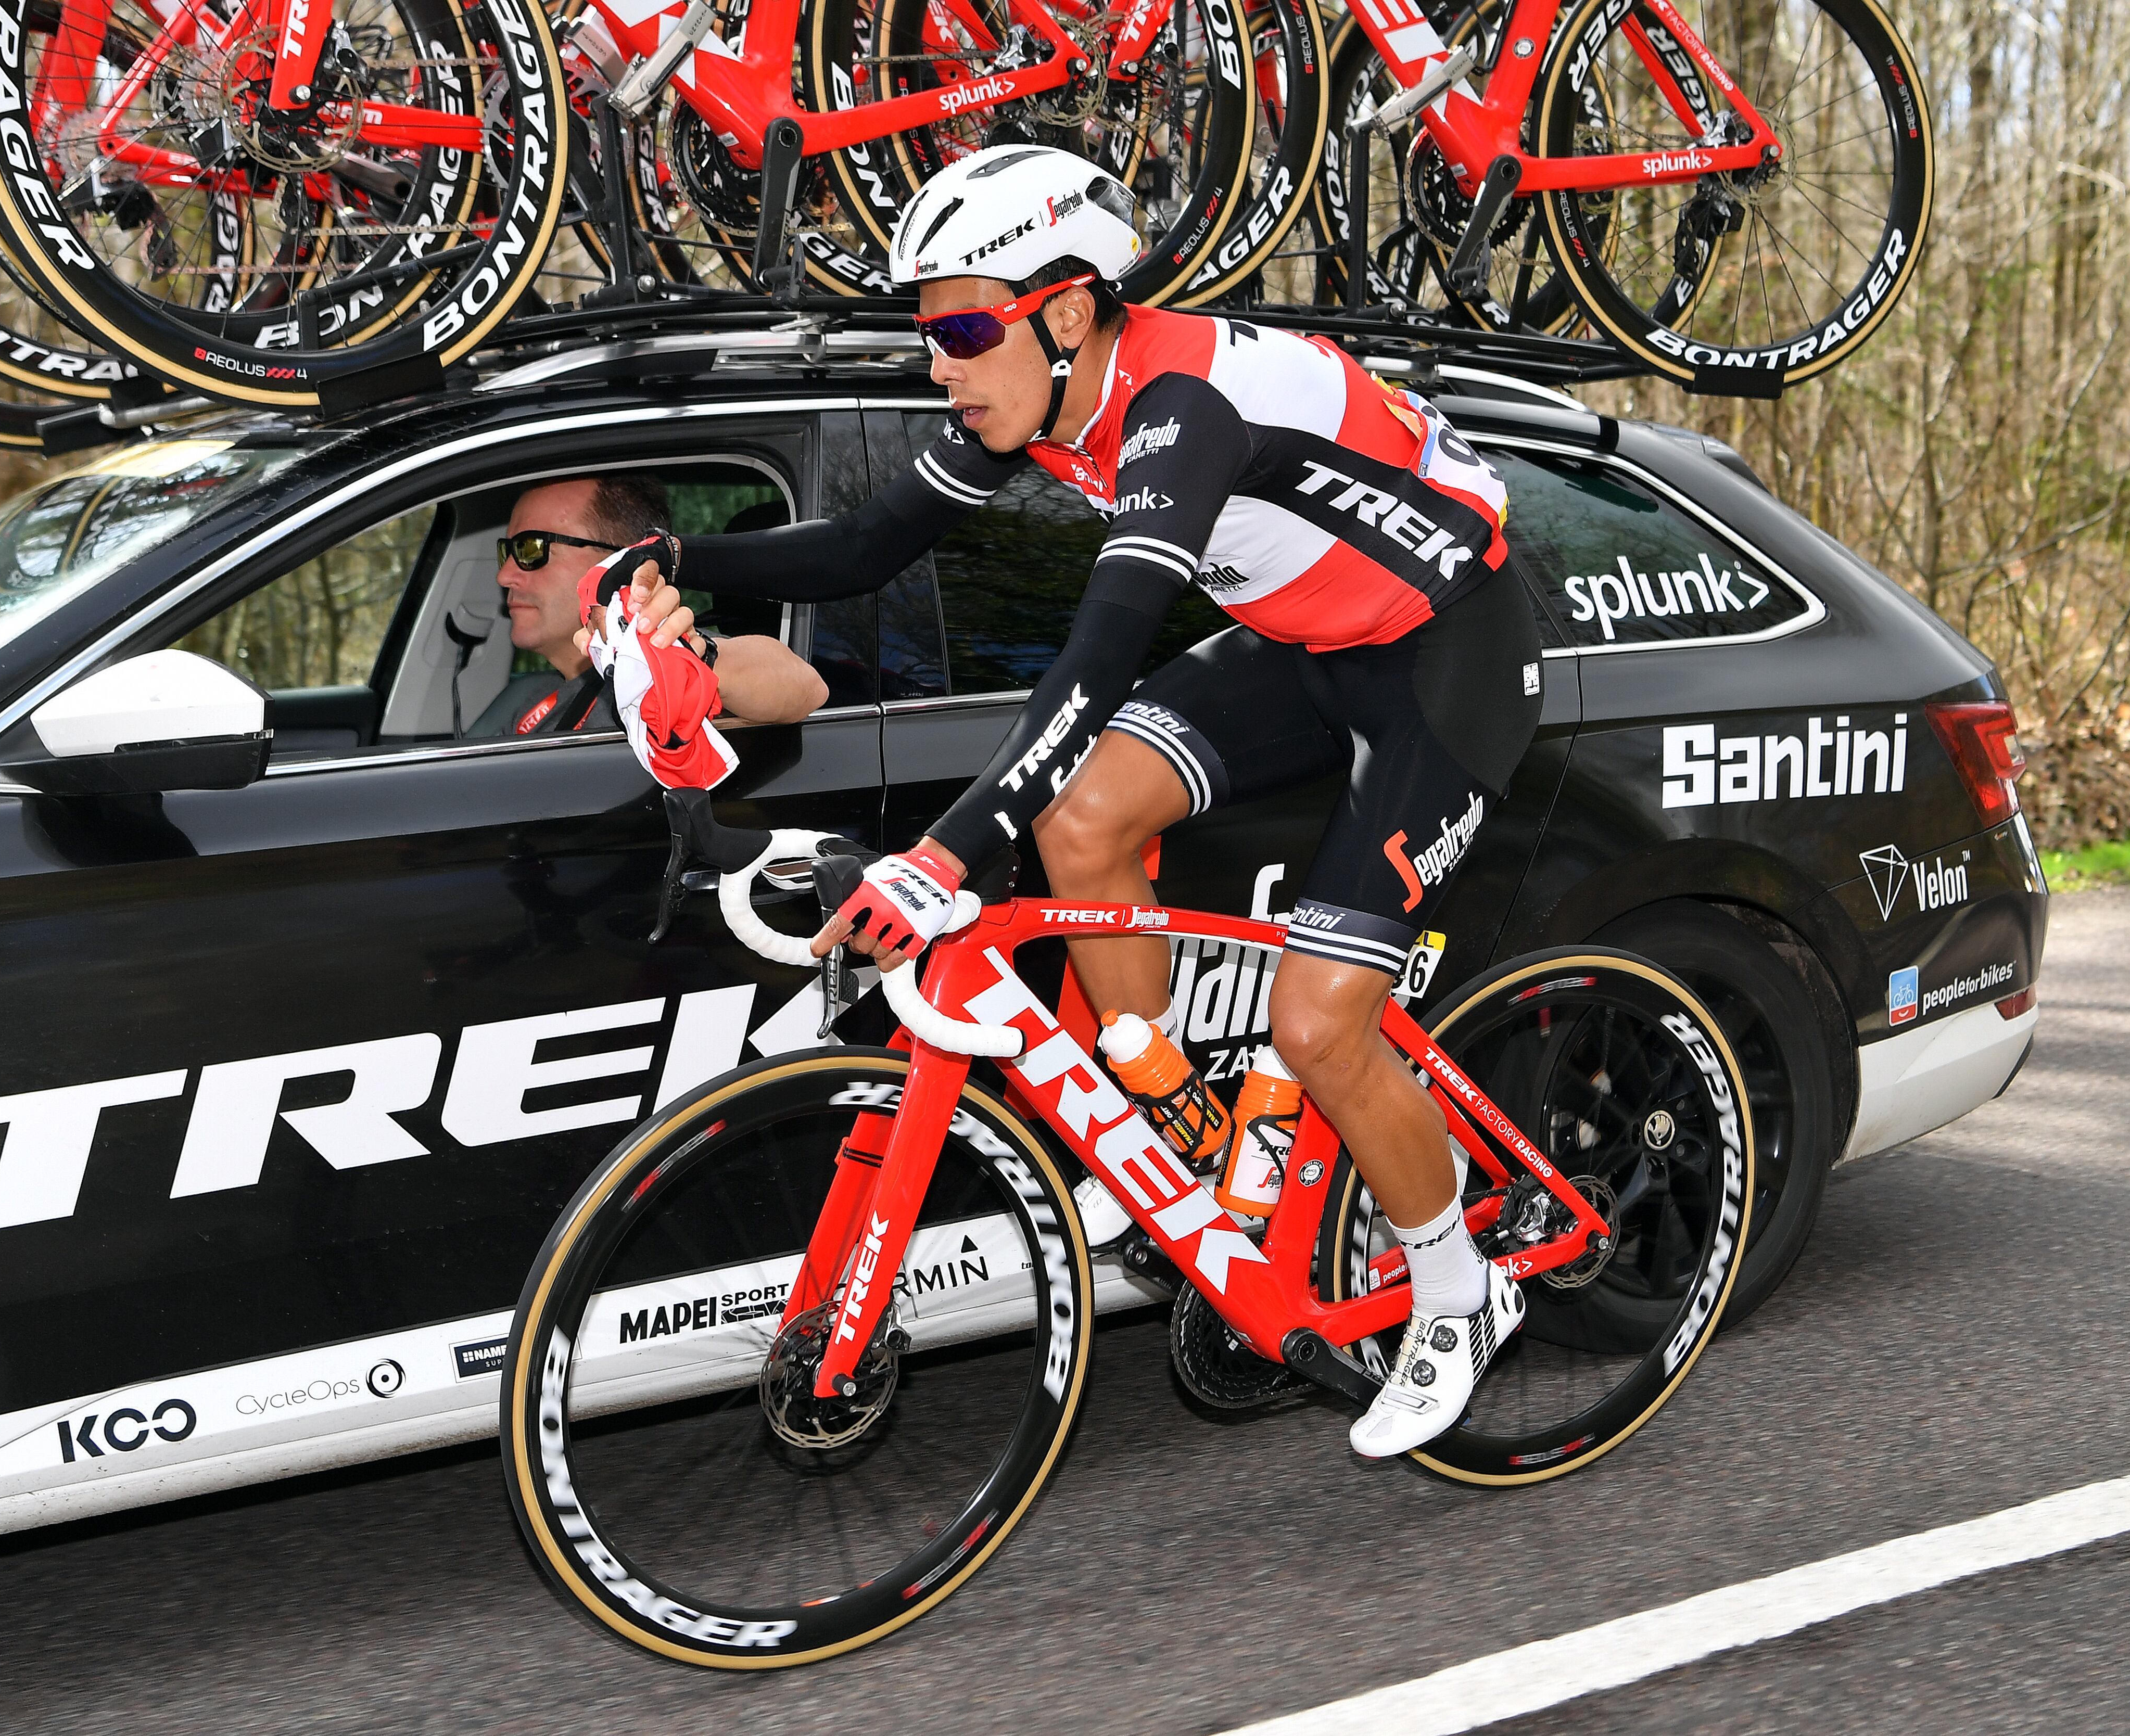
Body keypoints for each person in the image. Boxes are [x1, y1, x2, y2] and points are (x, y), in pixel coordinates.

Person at [600, 147, 1544, 1460]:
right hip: (1310, 641)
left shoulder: (1176, 409)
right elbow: (867, 549)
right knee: (1082, 821)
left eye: (962, 330)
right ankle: (1164, 1119)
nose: (939, 361)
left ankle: (1456, 1286)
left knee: (1320, 1021)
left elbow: (1097, 662)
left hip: (1451, 646)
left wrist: (942, 855)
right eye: (926, 331)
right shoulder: (1041, 399)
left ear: (1064, 310)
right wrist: (666, 553)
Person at [468, 474, 827, 738]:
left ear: (623, 558)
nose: (505, 576)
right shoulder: (528, 696)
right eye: (508, 551)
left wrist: (690, 656)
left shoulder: (662, 674)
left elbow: (805, 691)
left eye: (532, 548)